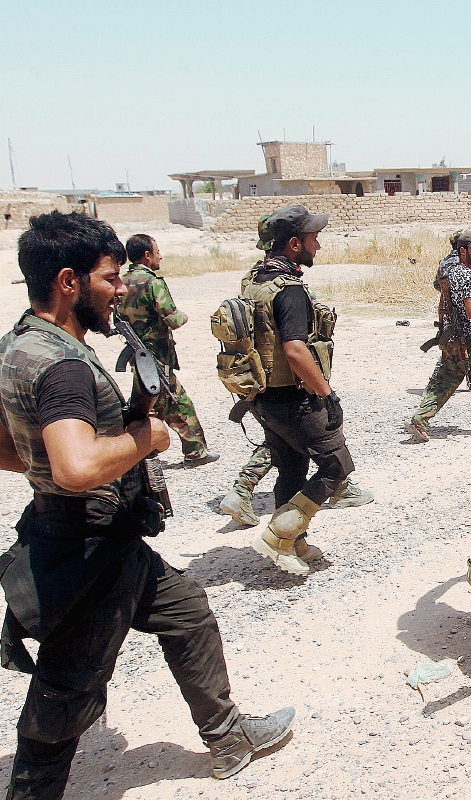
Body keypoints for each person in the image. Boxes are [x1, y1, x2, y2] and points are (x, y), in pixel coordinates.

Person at [0, 211, 293, 798]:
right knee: (64, 695)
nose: (121, 290)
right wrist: (147, 439)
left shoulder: (19, 345)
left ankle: (227, 733)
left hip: (94, 535)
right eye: (109, 279)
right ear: (67, 281)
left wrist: (53, 465)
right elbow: (77, 467)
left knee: (185, 611)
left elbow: (10, 448)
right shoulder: (63, 366)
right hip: (87, 548)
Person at [242, 204, 355, 575]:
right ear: (294, 244)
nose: (317, 246)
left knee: (291, 467)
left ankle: (294, 540)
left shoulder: (254, 281)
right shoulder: (288, 290)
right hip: (294, 399)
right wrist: (326, 393)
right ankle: (277, 535)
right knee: (336, 465)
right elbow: (294, 349)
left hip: (264, 398)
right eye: (313, 239)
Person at [117, 234, 218, 464]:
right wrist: (184, 316)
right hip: (156, 356)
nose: (160, 255)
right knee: (172, 402)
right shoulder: (152, 282)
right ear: (147, 255)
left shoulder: (123, 282)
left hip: (139, 354)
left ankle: (150, 451)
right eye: (157, 251)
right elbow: (172, 318)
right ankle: (189, 452)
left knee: (153, 402)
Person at [407, 230, 471, 442]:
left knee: (448, 379)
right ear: (462, 251)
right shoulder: (468, 276)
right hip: (466, 340)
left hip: (450, 337)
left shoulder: (450, 272)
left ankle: (420, 419)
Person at [218, 442, 373, 526]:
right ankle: (340, 488)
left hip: (257, 391)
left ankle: (241, 489)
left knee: (278, 434)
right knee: (322, 428)